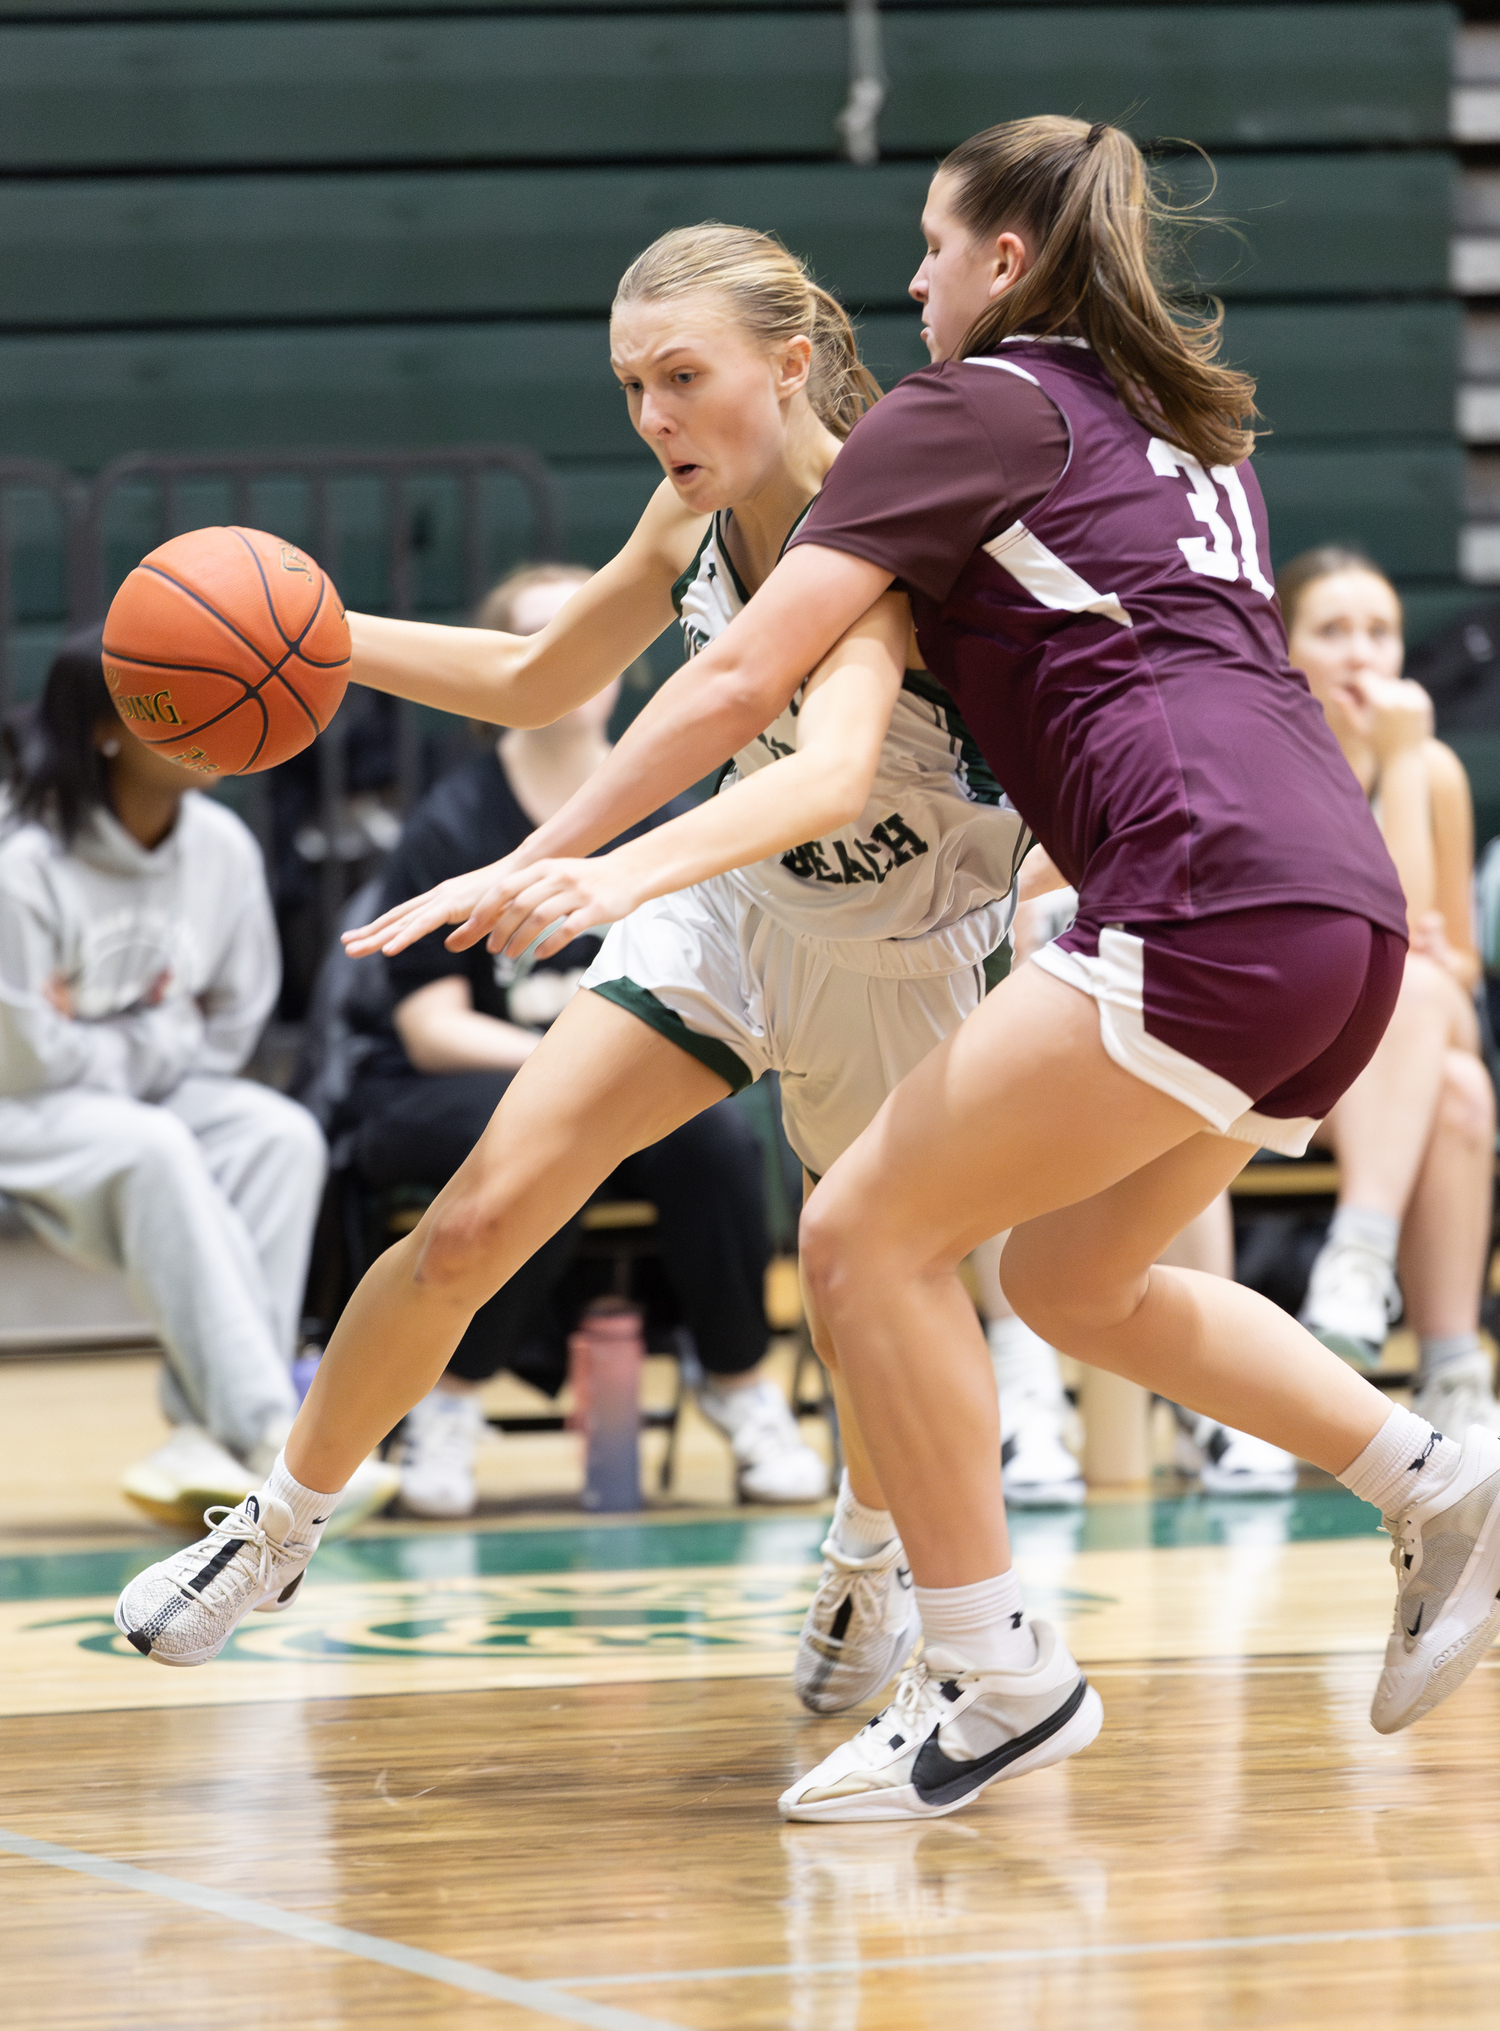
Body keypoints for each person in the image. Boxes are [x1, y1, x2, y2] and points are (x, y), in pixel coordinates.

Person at [291, 118, 1493, 1823]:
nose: (910, 279)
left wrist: (568, 863)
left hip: (1204, 893)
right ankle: (1432, 1471)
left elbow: (732, 697)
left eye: (934, 245)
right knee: (1074, 1287)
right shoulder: (1181, 428)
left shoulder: (962, 410)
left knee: (862, 1232)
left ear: (1008, 261)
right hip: (1334, 906)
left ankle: (999, 1668)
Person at [112, 222, 1031, 1705]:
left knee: (874, 1288)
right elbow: (541, 676)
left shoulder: (881, 520)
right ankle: (276, 1529)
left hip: (905, 938)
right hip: (735, 902)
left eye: (683, 376)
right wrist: (315, 639)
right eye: (629, 385)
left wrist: (590, 867)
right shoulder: (691, 513)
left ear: (790, 364)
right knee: (476, 1220)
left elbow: (832, 775)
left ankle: (872, 1552)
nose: (654, 416)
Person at [350, 561, 820, 1515]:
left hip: (619, 1072)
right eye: (540, 627)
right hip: (450, 1085)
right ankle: (450, 1399)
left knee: (717, 1132)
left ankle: (738, 1385)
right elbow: (432, 1028)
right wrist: (579, 1070)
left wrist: (608, 1076)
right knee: (549, 1126)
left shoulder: (674, 811)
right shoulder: (454, 821)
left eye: (584, 623)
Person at [0, 627, 396, 1531]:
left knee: (280, 1134)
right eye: (174, 713)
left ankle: (201, 1436)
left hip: (139, 1094)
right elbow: (26, 1056)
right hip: (20, 1106)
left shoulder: (221, 847)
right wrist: (162, 1027)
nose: (213, 729)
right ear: (105, 731)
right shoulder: (21, 862)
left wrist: (108, 1033)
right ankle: (272, 1439)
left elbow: (232, 1027)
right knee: (156, 1145)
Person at [1277, 549, 1497, 1432]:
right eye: (1333, 632)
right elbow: (1386, 928)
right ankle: (1424, 1329)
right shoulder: (1270, 758)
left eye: (1381, 633)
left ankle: (1432, 1350)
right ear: (1283, 648)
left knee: (1461, 1079)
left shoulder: (1433, 770)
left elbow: (1456, 956)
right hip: (1288, 1046)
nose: (1361, 654)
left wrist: (1405, 763)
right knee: (1420, 1002)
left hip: (1389, 1050)